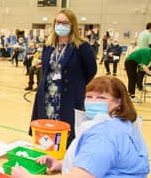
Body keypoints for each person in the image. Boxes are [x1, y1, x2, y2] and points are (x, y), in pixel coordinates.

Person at [12, 76, 150, 178]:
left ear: (118, 102)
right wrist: (63, 164)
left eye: (101, 98)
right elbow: (102, 163)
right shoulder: (124, 124)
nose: (93, 102)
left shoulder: (104, 134)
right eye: (89, 96)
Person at [29, 8, 97, 146]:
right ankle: (47, 152)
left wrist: (77, 84)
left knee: (67, 131)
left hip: (69, 95)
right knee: (46, 128)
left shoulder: (82, 46)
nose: (60, 25)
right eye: (58, 22)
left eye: (65, 23)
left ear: (72, 25)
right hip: (48, 95)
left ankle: (63, 158)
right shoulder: (49, 46)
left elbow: (91, 70)